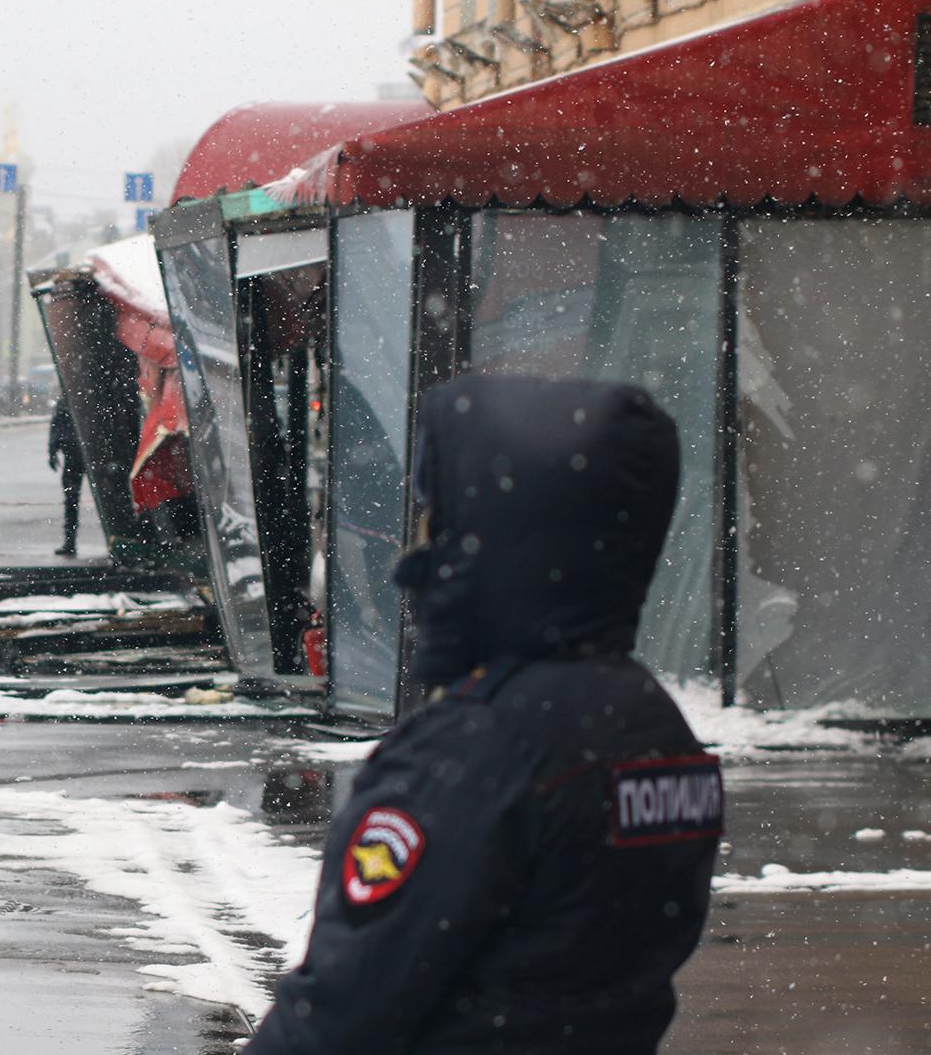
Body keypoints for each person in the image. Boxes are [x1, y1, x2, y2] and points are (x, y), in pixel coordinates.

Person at [246, 375, 722, 1054]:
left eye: (436, 515)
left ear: (495, 537)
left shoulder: (475, 748)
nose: (419, 546)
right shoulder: (649, 721)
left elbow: (343, 1010)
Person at [48, 396, 85, 557]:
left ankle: (70, 541)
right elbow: (56, 427)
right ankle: (70, 541)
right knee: (71, 500)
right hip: (80, 453)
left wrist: (53, 450)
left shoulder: (66, 401)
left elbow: (56, 427)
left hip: (73, 454)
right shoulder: (76, 399)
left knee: (71, 500)